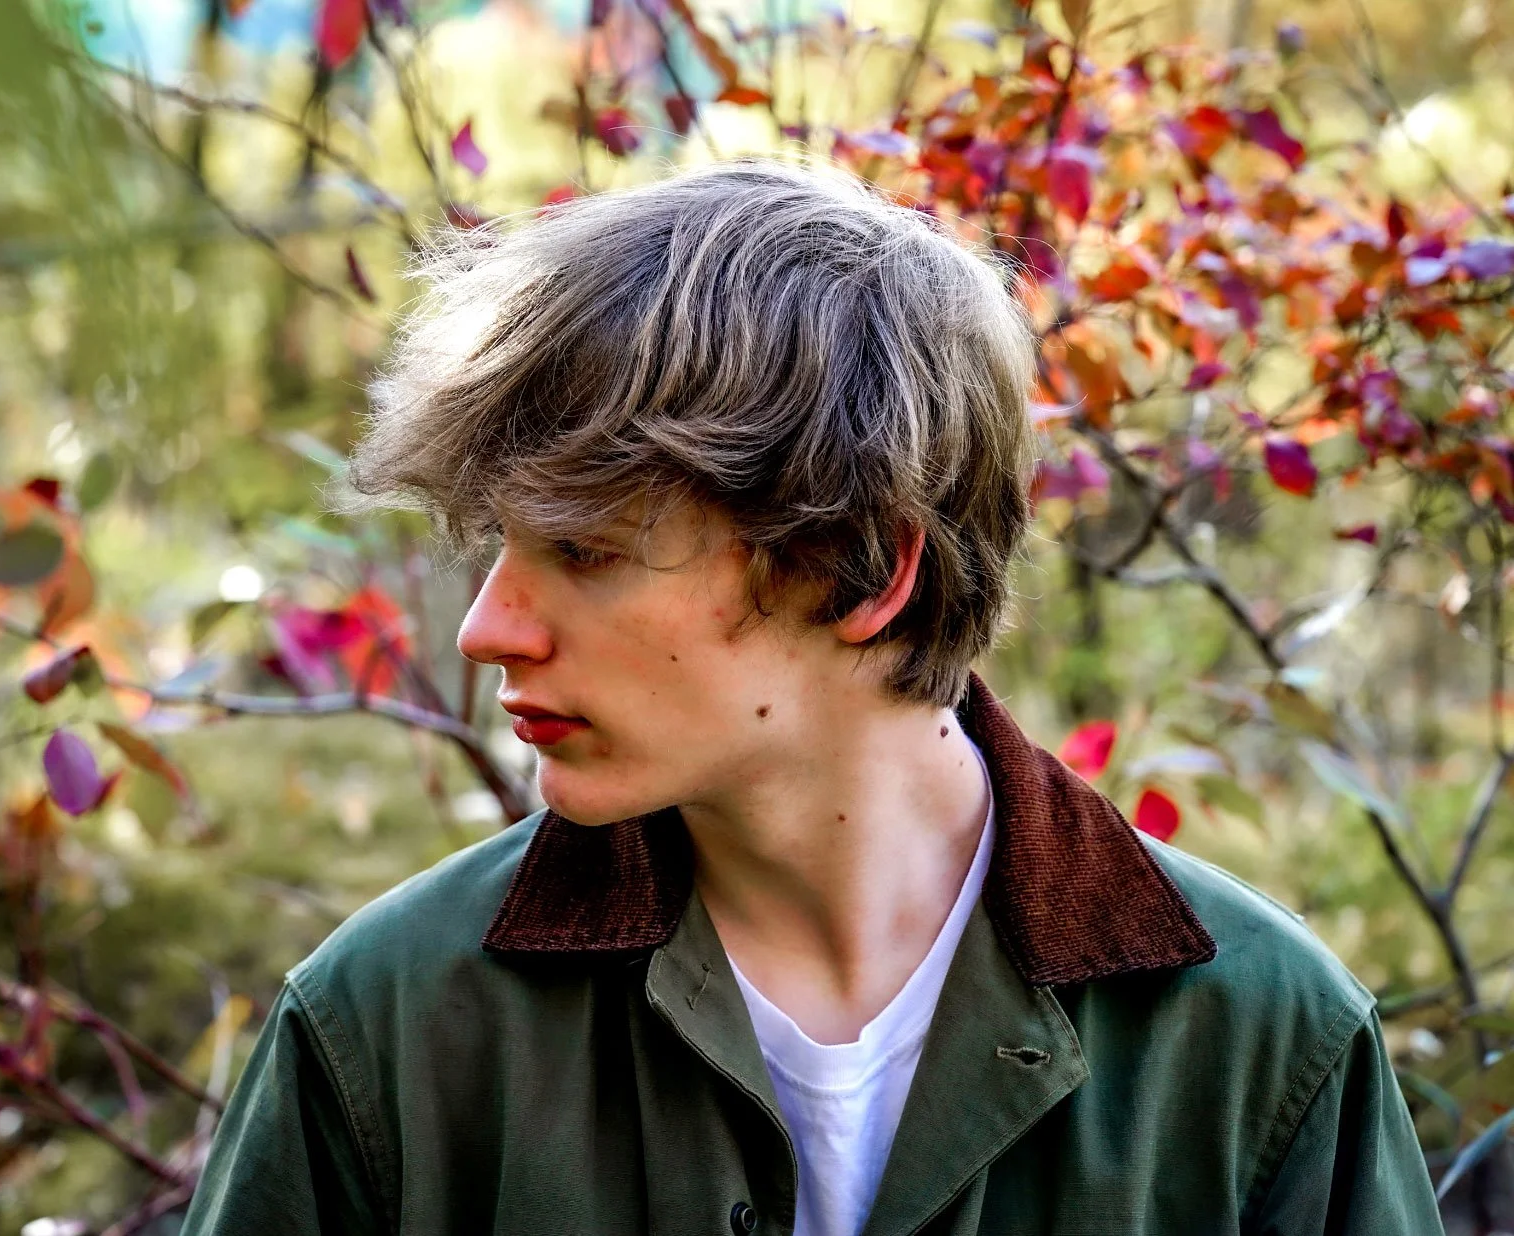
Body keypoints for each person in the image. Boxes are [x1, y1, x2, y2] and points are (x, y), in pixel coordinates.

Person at [181, 157, 1443, 1236]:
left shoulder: (1257, 1047)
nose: (486, 628)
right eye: (495, 548)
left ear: (860, 570)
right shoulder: (387, 1027)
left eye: (583, 551)